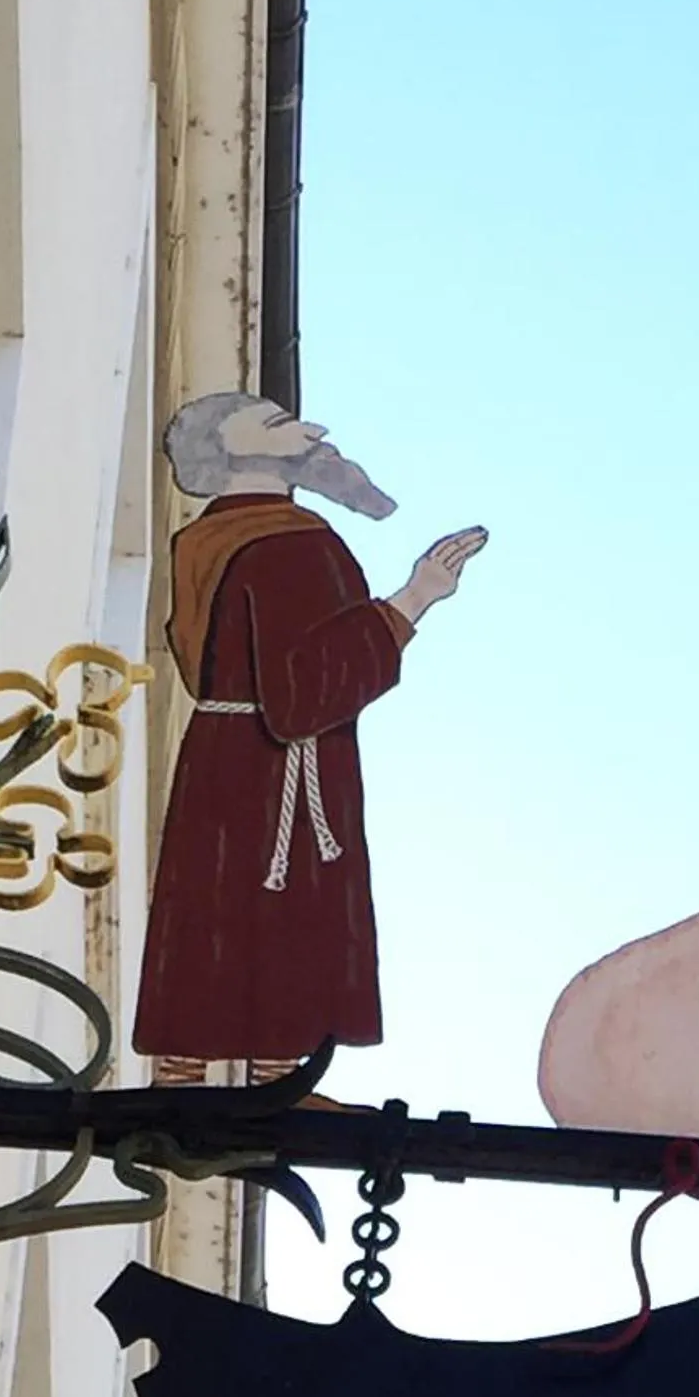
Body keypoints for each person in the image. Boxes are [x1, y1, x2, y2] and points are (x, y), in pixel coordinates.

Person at [134, 391, 485, 1083]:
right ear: (228, 448)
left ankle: (194, 1077)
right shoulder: (290, 543)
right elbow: (302, 691)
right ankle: (270, 1085)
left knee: (213, 906)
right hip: (276, 766)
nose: (311, 429)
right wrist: (414, 600)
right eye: (274, 423)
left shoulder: (206, 538)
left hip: (223, 757)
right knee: (271, 916)